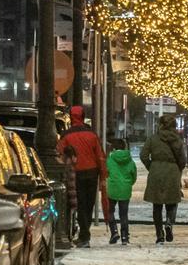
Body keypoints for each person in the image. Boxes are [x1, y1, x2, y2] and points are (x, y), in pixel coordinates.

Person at [57, 105, 106, 247]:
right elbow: (100, 156)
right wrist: (103, 175)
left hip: (75, 173)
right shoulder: (92, 135)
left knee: (80, 204)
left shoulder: (66, 136)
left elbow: (59, 153)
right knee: (89, 204)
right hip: (92, 173)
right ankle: (85, 234)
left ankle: (84, 235)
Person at [139, 114, 186, 245]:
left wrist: (152, 166)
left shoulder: (153, 139)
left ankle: (159, 234)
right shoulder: (177, 140)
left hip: (156, 172)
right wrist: (177, 169)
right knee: (172, 202)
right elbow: (182, 159)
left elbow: (143, 155)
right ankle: (169, 223)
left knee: (157, 205)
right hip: (172, 172)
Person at [105, 138, 137, 245]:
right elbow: (134, 175)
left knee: (110, 211)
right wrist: (129, 183)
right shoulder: (130, 160)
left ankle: (114, 231)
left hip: (112, 188)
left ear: (114, 148)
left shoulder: (110, 159)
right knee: (124, 214)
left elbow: (106, 171)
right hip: (125, 189)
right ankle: (124, 236)